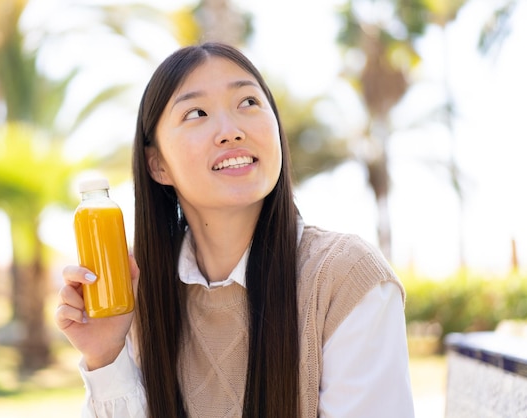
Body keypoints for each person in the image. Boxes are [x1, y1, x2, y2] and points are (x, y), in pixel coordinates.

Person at [55, 42, 415, 418]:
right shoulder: (137, 294)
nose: (230, 131)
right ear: (157, 164)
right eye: (197, 113)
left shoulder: (345, 281)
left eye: (247, 103)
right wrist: (106, 355)